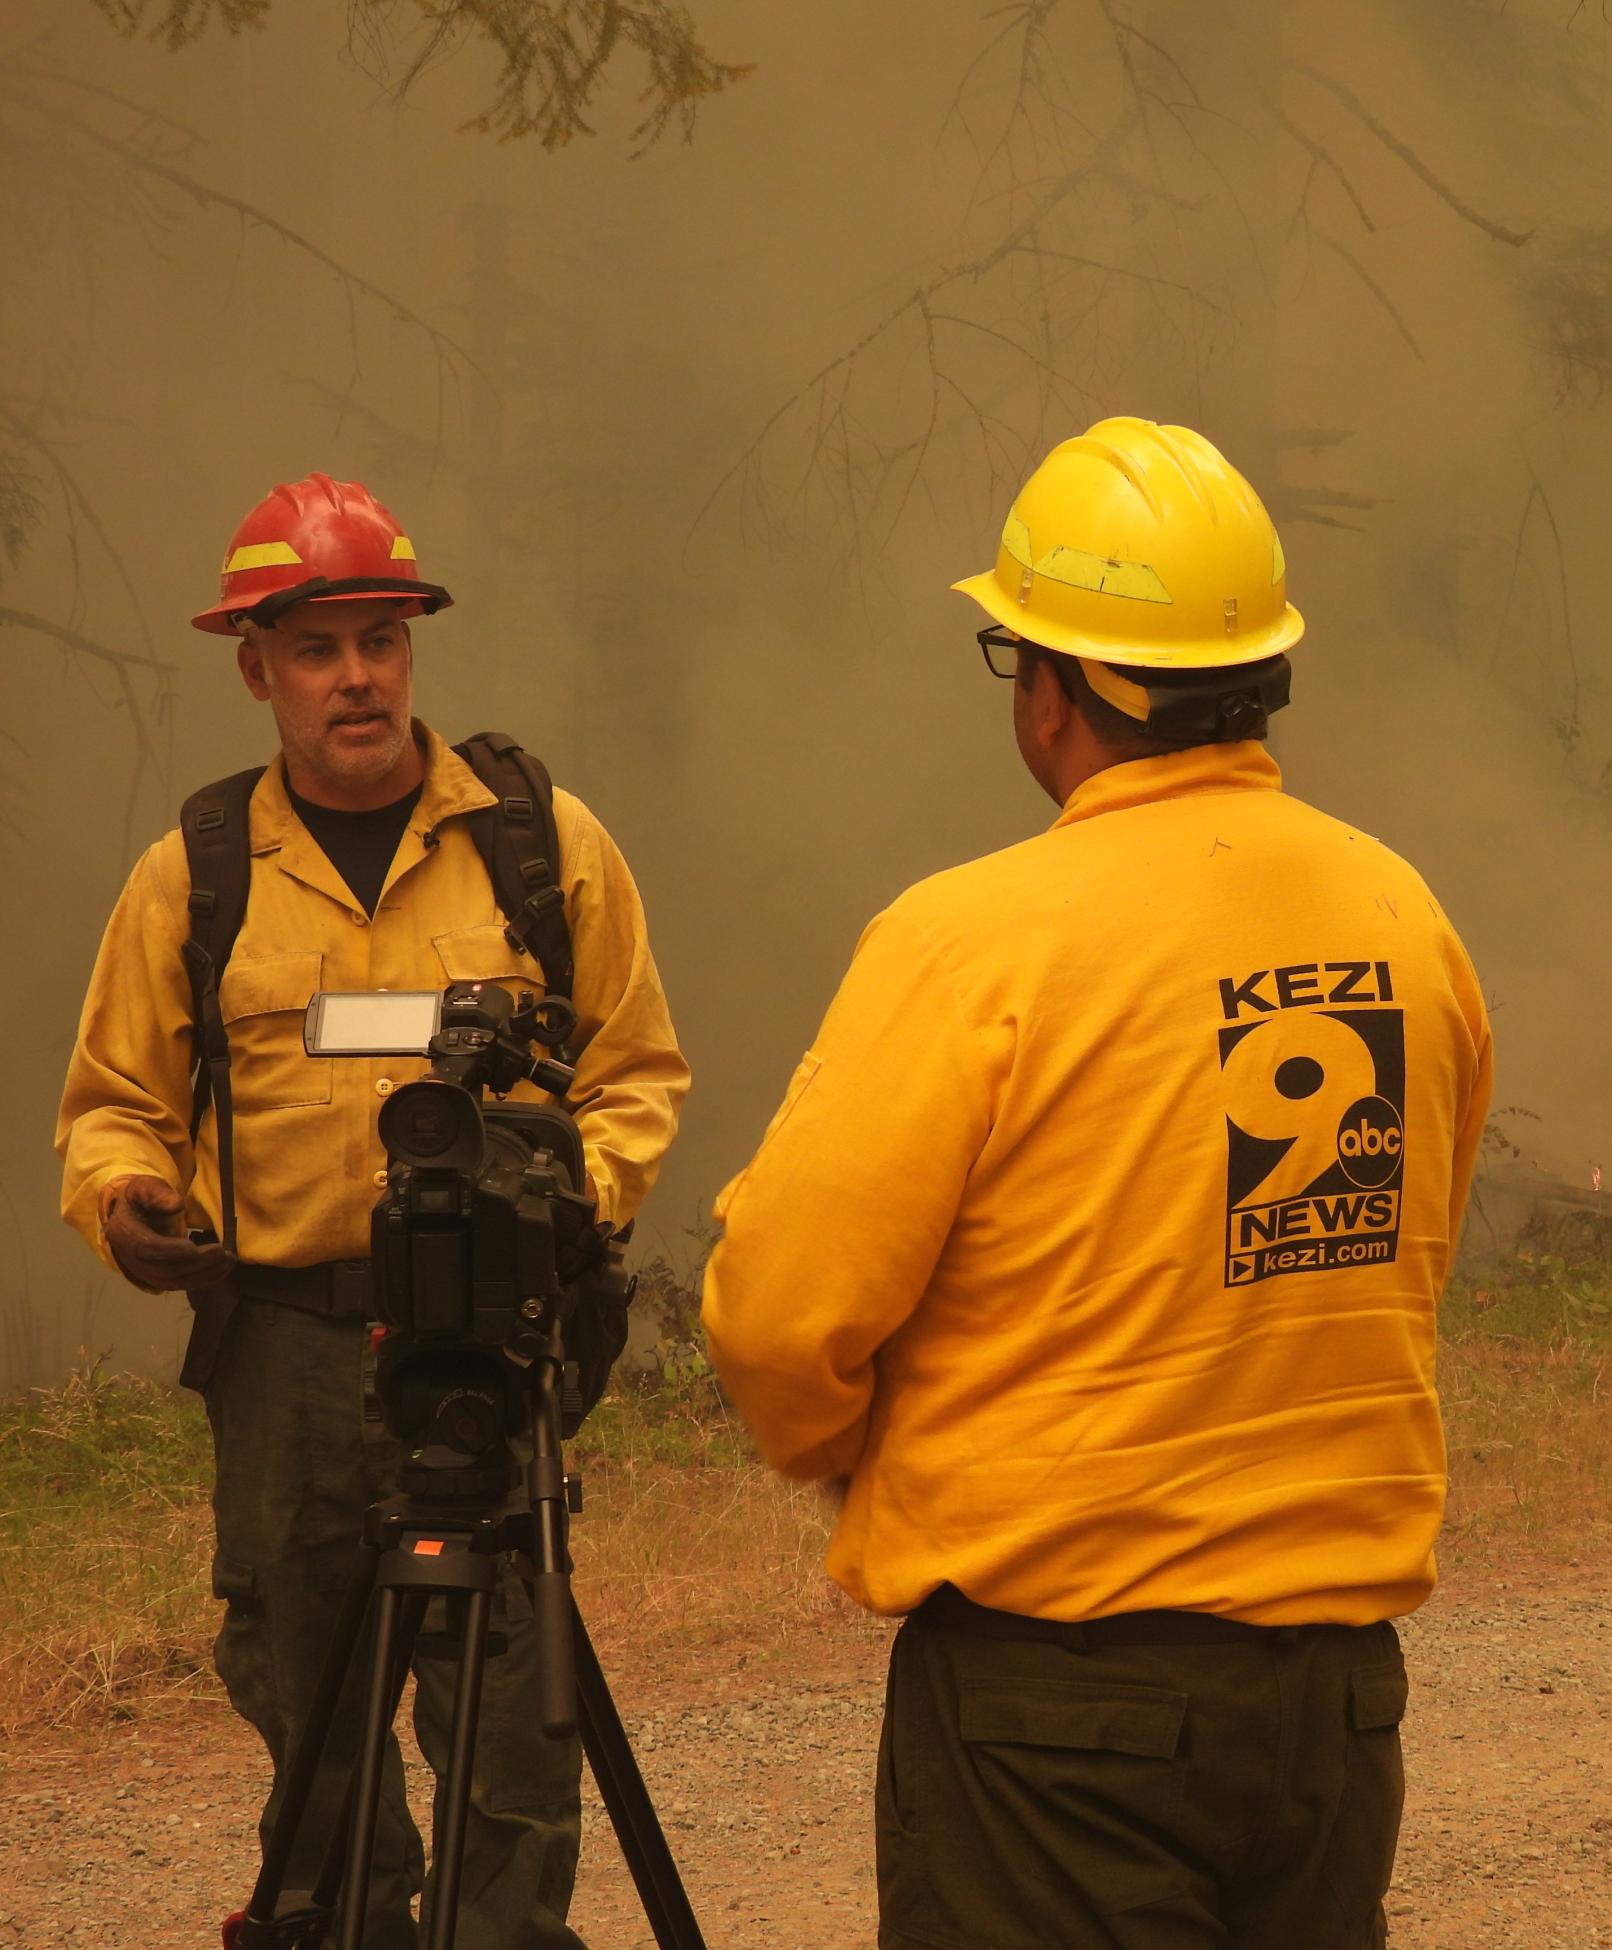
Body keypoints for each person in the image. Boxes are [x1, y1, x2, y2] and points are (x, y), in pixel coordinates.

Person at [701, 416, 1494, 1949]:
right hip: (1333, 1706)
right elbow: (1404, 1247)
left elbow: (781, 1314)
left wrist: (849, 1448)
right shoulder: (1403, 914)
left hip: (1054, 1712)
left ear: (1055, 693)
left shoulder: (973, 941)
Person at [54, 473, 691, 1949]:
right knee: (301, 1673)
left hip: (487, 1335)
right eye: (322, 646)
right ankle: (355, 1923)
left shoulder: (538, 844)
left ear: (413, 650)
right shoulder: (198, 874)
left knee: (515, 1704)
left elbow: (638, 1067)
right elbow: (111, 1101)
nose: (359, 676)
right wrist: (128, 1200)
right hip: (285, 1344)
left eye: (382, 640)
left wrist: (569, 1202)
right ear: (258, 666)